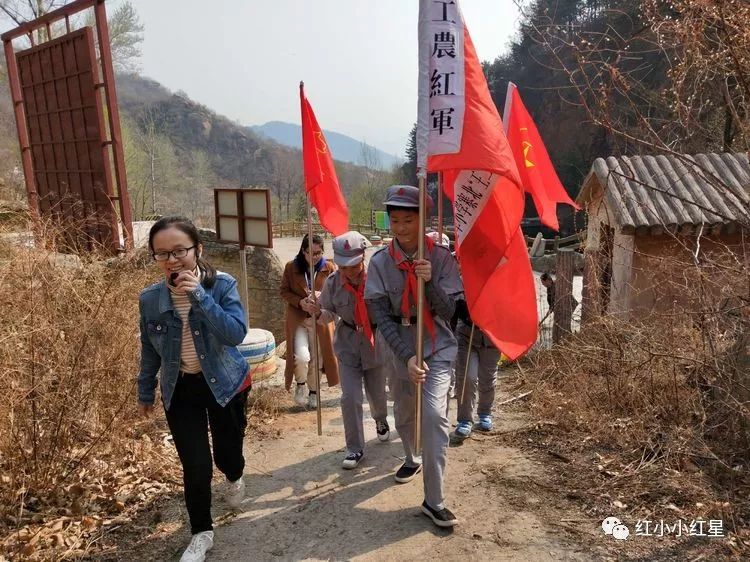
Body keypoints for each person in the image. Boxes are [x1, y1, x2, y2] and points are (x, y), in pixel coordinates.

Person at [137, 216, 249, 562]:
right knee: (196, 465)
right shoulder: (151, 299)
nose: (171, 260)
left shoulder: (222, 286)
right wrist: (144, 391)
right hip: (180, 389)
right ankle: (201, 532)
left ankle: (234, 475)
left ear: (197, 250)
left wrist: (199, 295)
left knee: (226, 456)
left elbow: (235, 334)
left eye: (179, 251)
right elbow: (148, 347)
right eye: (162, 254)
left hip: (225, 385)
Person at [365, 185, 463, 528]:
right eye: (395, 220)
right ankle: (411, 454)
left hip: (437, 343)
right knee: (405, 412)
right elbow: (379, 315)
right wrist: (406, 356)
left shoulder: (442, 259)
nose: (401, 227)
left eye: (409, 219)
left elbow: (450, 310)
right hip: (398, 346)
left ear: (423, 221)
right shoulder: (379, 263)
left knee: (434, 415)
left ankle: (433, 501)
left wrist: (431, 281)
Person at [311, 231, 390, 469]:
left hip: (375, 345)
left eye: (353, 265)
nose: (348, 271)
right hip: (347, 345)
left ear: (362, 257)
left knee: (377, 395)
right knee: (350, 398)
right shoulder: (333, 283)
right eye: (344, 266)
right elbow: (327, 315)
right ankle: (355, 448)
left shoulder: (378, 278)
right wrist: (315, 312)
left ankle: (381, 420)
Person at [280, 234, 339, 408]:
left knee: (317, 358)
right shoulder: (291, 267)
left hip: (320, 320)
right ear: (303, 251)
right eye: (310, 253)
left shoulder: (329, 268)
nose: (314, 257)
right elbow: (283, 291)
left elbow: (337, 292)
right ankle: (300, 384)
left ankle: (314, 392)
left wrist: (324, 296)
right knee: (302, 356)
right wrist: (300, 302)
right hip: (299, 319)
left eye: (318, 253)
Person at [452, 299, 501, 440]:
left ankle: (485, 414)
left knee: (488, 379)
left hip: (493, 337)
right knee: (467, 376)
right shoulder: (465, 280)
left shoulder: (503, 282)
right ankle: (464, 420)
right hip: (467, 336)